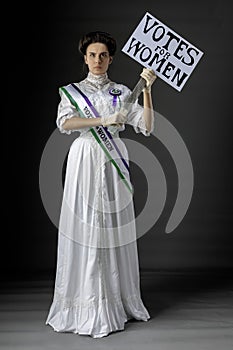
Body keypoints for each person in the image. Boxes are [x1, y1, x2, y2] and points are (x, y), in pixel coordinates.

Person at [45, 31, 157, 338]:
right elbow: (65, 123)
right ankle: (83, 304)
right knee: (84, 223)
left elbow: (146, 127)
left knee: (111, 224)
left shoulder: (122, 92)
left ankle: (116, 301)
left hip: (113, 159)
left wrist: (146, 89)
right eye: (92, 55)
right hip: (84, 157)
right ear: (85, 58)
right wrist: (101, 121)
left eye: (103, 55)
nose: (97, 60)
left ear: (111, 58)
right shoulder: (72, 92)